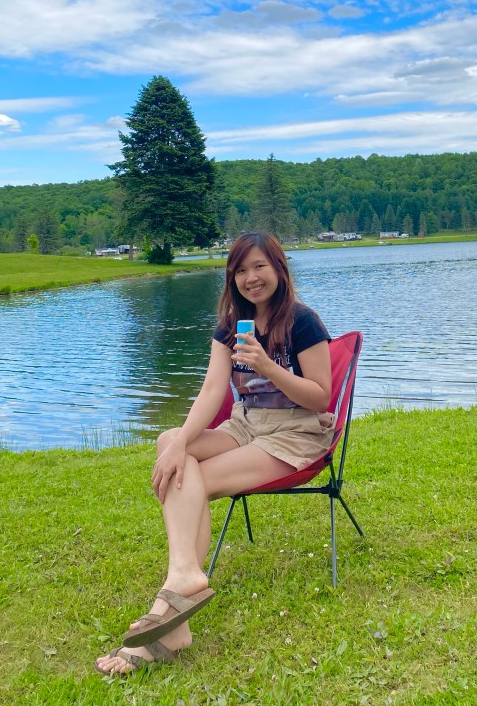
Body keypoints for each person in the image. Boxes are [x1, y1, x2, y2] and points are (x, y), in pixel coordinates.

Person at [95, 231, 335, 676]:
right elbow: (211, 390)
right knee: (170, 442)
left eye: (259, 266)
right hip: (245, 425)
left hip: (294, 433)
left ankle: (170, 612)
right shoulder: (231, 325)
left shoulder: (303, 322)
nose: (251, 277)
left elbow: (321, 397)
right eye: (240, 270)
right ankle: (185, 575)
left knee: (189, 478)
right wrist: (180, 443)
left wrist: (267, 366)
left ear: (279, 268)